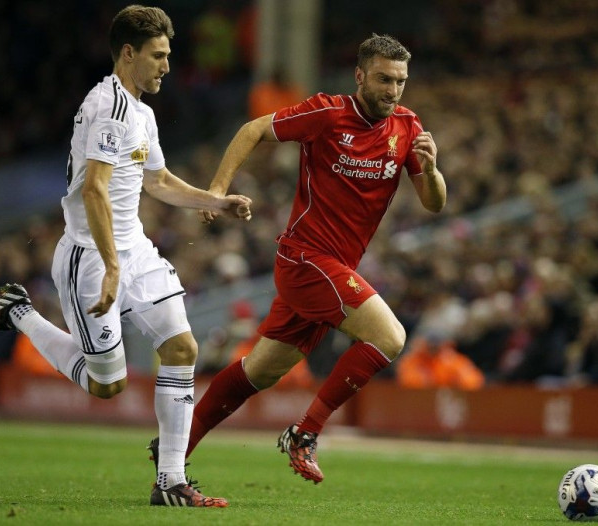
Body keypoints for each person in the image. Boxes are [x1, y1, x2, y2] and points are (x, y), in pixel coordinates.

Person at [0, 5, 252, 508]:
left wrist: (216, 201)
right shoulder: (110, 108)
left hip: (135, 251)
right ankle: (19, 312)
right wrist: (112, 265)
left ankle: (170, 481)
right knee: (108, 386)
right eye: (158, 55)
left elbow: (158, 181)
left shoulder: (141, 112)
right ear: (129, 53)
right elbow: (95, 192)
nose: (167, 66)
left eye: (168, 54)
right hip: (89, 257)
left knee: (182, 348)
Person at [150, 33, 447, 484]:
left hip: (333, 270)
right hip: (306, 258)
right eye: (384, 79)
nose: (392, 90)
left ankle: (174, 447)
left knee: (260, 372)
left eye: (400, 81)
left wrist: (434, 170)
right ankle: (305, 433)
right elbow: (251, 129)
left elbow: (433, 203)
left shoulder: (406, 127)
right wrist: (215, 190)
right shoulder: (328, 112)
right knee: (390, 337)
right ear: (360, 75)